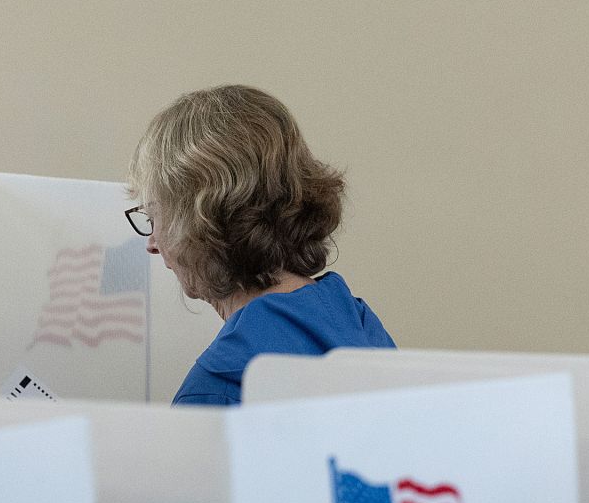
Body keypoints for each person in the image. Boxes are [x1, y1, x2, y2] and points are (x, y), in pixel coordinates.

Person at [125, 85, 396, 406]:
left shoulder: (214, 392)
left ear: (200, 224)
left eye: (153, 217)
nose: (152, 244)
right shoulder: (363, 327)